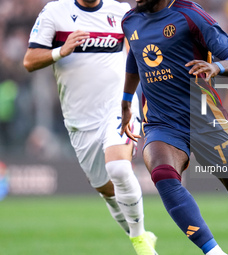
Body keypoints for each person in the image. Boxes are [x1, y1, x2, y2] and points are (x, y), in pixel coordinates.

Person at [120, 0, 228, 255]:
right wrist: (126, 100)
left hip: (206, 122)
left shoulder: (190, 15)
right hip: (162, 123)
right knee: (162, 173)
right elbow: (135, 58)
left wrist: (216, 66)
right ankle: (214, 252)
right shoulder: (130, 20)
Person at [23, 0, 158, 254]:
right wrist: (60, 51)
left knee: (118, 167)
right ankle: (139, 235)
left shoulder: (120, 11)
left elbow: (139, 54)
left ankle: (141, 243)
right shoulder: (55, 12)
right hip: (79, 119)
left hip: (119, 106)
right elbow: (29, 60)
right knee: (106, 189)